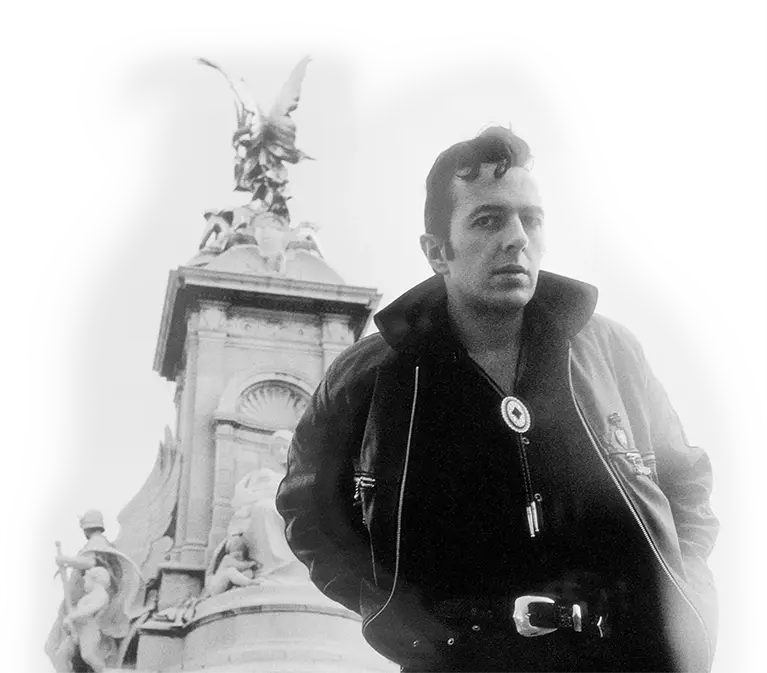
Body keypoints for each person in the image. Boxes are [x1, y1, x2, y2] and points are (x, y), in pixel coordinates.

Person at [276, 127, 719, 672]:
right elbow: (309, 512)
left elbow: (687, 484)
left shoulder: (612, 351)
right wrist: (400, 614)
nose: (516, 239)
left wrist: (681, 593)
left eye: (530, 219)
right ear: (438, 251)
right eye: (488, 219)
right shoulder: (370, 378)